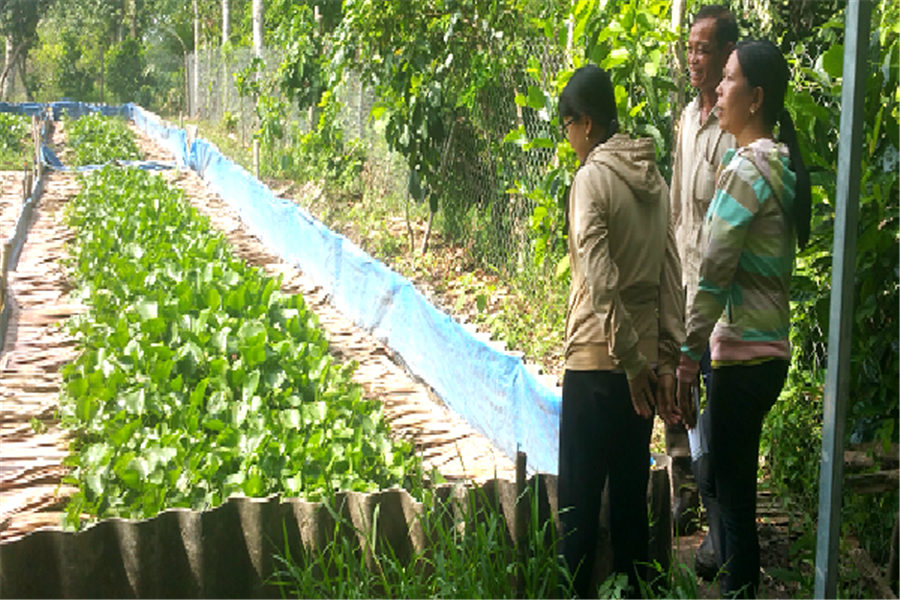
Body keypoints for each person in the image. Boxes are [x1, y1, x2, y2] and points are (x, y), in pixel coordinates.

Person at [671, 40, 812, 598]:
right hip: (766, 352)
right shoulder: (776, 167)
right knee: (723, 481)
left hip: (742, 358)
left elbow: (714, 272)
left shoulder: (746, 172)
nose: (718, 89)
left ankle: (738, 590)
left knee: (733, 507)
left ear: (755, 98)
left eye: (728, 80)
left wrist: (686, 357)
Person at [557, 64, 684, 600]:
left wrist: (631, 361)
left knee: (579, 508)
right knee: (631, 500)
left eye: (567, 127)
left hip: (595, 361)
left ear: (585, 123)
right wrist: (664, 358)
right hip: (642, 371)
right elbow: (671, 271)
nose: (567, 140)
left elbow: (600, 274)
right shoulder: (653, 179)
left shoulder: (591, 179)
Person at [667, 3, 738, 577]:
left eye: (704, 49)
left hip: (720, 306)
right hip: (686, 290)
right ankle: (686, 492)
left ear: (726, 59)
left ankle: (722, 535)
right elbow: (676, 213)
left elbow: (725, 234)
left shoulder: (733, 132)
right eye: (690, 48)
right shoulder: (688, 120)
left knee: (716, 417)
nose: (694, 58)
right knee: (686, 409)